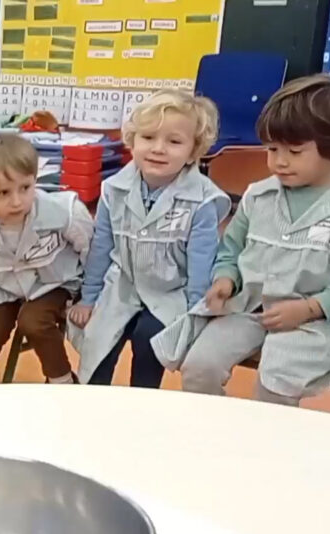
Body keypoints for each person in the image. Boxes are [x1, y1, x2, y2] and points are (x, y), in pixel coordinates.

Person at [154, 75, 330, 406]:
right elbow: (232, 249)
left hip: (314, 323)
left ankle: (266, 453)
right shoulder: (258, 195)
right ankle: (215, 438)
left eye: (294, 151)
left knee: (276, 385)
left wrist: (310, 307)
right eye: (271, 149)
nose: (279, 161)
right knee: (199, 366)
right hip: (250, 308)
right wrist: (226, 280)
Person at [68, 90, 229, 387]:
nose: (158, 149)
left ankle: (143, 407)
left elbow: (201, 263)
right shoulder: (113, 189)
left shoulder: (203, 200)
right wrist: (89, 298)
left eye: (174, 141)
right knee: (98, 346)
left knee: (149, 339)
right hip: (121, 286)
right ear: (132, 141)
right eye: (148, 138)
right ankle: (90, 407)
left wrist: (197, 316)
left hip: (172, 293)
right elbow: (101, 248)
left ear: (194, 151)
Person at [0, 133, 92, 385]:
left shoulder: (64, 211)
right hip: (2, 285)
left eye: (25, 188)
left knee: (34, 321)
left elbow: (90, 248)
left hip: (54, 283)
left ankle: (63, 381)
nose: (17, 201)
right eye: (3, 193)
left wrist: (90, 294)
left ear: (35, 180)